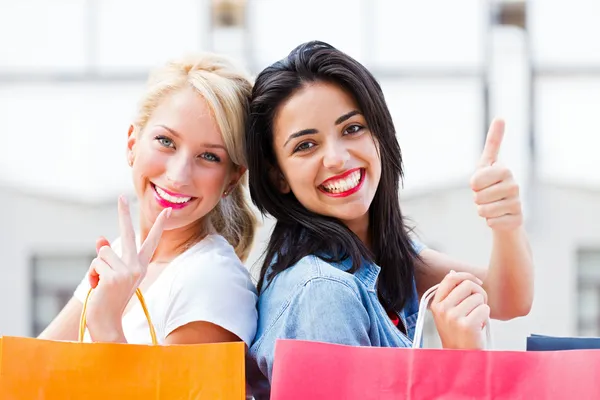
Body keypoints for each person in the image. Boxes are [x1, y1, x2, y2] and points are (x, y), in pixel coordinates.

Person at [245, 41, 534, 396]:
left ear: (379, 134)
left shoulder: (374, 251)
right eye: (306, 145)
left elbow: (507, 299)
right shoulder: (323, 291)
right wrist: (461, 361)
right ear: (279, 177)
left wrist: (506, 223)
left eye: (352, 129)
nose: (336, 158)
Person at [39, 53, 258, 347]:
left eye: (209, 156)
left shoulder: (212, 281)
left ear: (231, 179)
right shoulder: (124, 255)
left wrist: (107, 329)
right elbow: (29, 368)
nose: (179, 176)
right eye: (166, 141)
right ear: (132, 144)